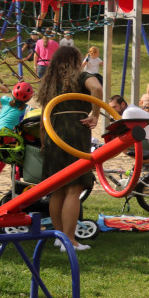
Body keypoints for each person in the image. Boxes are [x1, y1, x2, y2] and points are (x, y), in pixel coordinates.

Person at [38, 46, 102, 250]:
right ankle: (70, 240)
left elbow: (43, 117)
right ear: (75, 60)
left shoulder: (49, 82)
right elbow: (97, 88)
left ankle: (59, 237)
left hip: (52, 133)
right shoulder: (80, 76)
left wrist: (43, 140)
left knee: (57, 189)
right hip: (74, 131)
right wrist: (95, 115)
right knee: (74, 188)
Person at [0, 82, 34, 191]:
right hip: (4, 135)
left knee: (3, 159)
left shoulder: (7, 101)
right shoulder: (27, 109)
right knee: (17, 156)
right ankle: (14, 182)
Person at [108, 93, 149, 164]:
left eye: (115, 107)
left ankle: (148, 164)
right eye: (111, 108)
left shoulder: (128, 112)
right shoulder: (132, 110)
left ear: (123, 104)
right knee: (123, 144)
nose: (113, 110)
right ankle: (146, 164)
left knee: (123, 145)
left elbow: (123, 133)